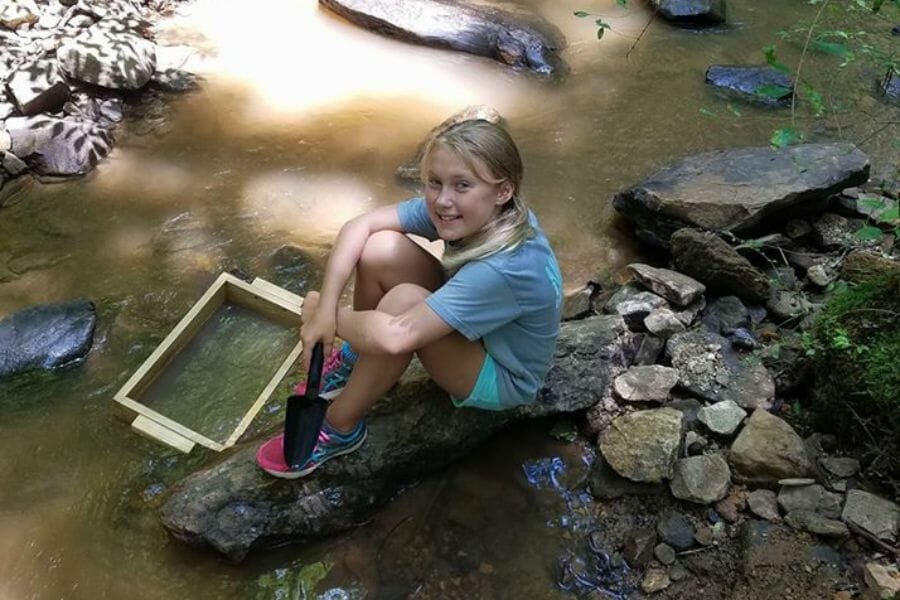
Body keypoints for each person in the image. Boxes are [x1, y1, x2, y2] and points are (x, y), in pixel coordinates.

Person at [256, 119, 563, 479]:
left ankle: (340, 428)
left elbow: (394, 336)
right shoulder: (478, 213)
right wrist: (326, 304)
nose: (443, 200)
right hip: (481, 328)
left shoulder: (506, 268)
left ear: (503, 191)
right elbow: (361, 225)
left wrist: (324, 317)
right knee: (379, 247)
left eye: (462, 185)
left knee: (403, 303)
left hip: (506, 376)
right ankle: (357, 358)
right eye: (435, 182)